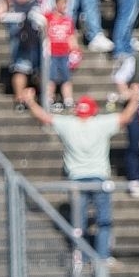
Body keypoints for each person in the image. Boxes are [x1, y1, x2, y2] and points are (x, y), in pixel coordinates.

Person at [25, 93, 116, 262]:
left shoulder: (69, 124)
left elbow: (43, 116)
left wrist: (30, 102)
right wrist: (135, 99)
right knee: (103, 220)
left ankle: (80, 254)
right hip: (99, 177)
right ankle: (104, 256)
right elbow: (125, 117)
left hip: (76, 179)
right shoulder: (101, 123)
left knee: (78, 221)